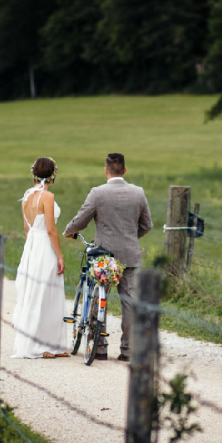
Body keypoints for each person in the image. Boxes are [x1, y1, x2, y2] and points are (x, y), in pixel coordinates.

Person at [63, 153, 153, 361]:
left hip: (104, 257)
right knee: (129, 302)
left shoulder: (98, 193)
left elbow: (81, 219)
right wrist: (131, 237)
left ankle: (100, 348)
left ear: (106, 171)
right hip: (130, 255)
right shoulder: (138, 193)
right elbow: (147, 225)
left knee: (98, 297)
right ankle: (128, 350)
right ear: (125, 170)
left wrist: (69, 231)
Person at [11, 157, 70, 359]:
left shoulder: (27, 195)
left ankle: (50, 344)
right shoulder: (47, 197)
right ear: (53, 174)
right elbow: (52, 231)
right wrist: (59, 255)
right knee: (47, 293)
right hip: (44, 245)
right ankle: (43, 346)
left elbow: (27, 228)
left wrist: (33, 250)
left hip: (32, 246)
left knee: (35, 292)